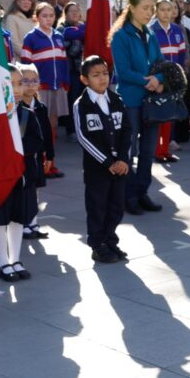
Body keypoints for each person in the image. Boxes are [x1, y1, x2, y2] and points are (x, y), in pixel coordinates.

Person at [109, 0, 165, 216]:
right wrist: (147, 81)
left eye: (152, 8)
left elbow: (161, 63)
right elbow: (122, 71)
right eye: (145, 8)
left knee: (148, 150)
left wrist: (158, 79)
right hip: (131, 99)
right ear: (131, 8)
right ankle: (128, 195)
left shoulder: (151, 33)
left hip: (152, 101)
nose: (150, 12)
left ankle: (142, 192)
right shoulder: (121, 36)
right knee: (128, 149)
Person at [73, 55, 131, 263]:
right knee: (98, 206)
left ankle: (110, 240)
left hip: (120, 167)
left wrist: (123, 159)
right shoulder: (82, 104)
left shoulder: (116, 100)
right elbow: (83, 137)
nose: (102, 79)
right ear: (84, 79)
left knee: (116, 206)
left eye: (105, 73)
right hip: (98, 169)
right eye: (96, 75)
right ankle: (97, 245)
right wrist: (108, 162)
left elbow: (127, 131)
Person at [0, 65, 33, 283]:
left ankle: (15, 259)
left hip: (20, 176)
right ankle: (3, 262)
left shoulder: (25, 112)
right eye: (10, 84)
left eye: (19, 83)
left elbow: (35, 142)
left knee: (17, 219)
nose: (16, 89)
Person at [19, 2, 69, 178]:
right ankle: (38, 164)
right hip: (40, 87)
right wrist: (29, 88)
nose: (48, 19)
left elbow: (63, 61)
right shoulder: (31, 37)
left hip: (57, 86)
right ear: (37, 17)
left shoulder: (58, 36)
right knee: (40, 125)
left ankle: (51, 163)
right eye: (44, 16)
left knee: (53, 124)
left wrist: (65, 81)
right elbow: (25, 65)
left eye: (51, 16)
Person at [14, 64, 54, 239]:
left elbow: (47, 133)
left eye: (34, 80)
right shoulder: (16, 109)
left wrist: (50, 155)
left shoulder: (41, 107)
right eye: (25, 81)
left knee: (35, 190)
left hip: (37, 157)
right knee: (23, 190)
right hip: (22, 158)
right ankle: (23, 224)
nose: (30, 84)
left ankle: (33, 223)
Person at [150, 0, 188, 163]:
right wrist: (158, 80)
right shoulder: (151, 30)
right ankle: (156, 151)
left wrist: (178, 75)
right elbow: (151, 58)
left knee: (169, 116)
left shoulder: (177, 29)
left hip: (173, 79)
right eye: (163, 9)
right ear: (156, 11)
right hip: (158, 79)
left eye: (170, 9)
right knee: (158, 116)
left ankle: (165, 150)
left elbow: (181, 53)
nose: (167, 12)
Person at [60, 2, 86, 138]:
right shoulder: (61, 29)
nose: (75, 13)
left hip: (85, 71)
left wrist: (79, 35)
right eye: (72, 11)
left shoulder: (84, 27)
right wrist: (79, 36)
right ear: (66, 14)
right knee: (73, 100)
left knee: (84, 100)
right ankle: (72, 130)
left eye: (77, 11)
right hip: (70, 71)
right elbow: (70, 51)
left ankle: (83, 129)